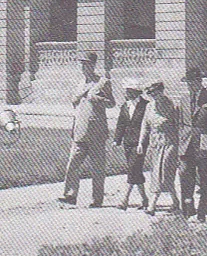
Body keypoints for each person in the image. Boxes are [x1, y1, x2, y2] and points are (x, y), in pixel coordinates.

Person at [59, 51, 115, 208]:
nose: (84, 67)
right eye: (82, 64)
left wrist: (98, 99)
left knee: (97, 167)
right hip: (80, 130)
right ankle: (70, 195)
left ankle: (97, 199)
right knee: (72, 164)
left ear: (93, 65)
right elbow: (77, 106)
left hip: (96, 132)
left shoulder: (103, 82)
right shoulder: (80, 83)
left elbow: (112, 103)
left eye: (87, 64)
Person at [178, 66, 207, 222]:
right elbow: (180, 122)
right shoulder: (183, 99)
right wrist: (180, 141)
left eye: (193, 82)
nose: (190, 86)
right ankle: (187, 210)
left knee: (205, 178)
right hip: (186, 143)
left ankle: (202, 212)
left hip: (204, 140)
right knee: (185, 175)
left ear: (199, 81)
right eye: (188, 83)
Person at [137, 80, 179, 215]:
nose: (153, 96)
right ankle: (176, 202)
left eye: (155, 93)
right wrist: (141, 142)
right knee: (157, 173)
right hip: (155, 144)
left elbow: (178, 125)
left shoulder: (170, 105)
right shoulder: (149, 106)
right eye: (150, 94)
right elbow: (145, 125)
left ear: (161, 91)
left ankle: (152, 205)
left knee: (163, 172)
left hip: (169, 142)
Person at [113, 81, 149, 209]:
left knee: (132, 168)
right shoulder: (125, 105)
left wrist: (143, 141)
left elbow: (147, 125)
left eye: (129, 91)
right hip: (127, 142)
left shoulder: (146, 105)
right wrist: (117, 139)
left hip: (140, 143)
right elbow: (121, 123)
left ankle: (125, 200)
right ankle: (145, 199)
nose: (126, 93)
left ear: (136, 92)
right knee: (136, 169)